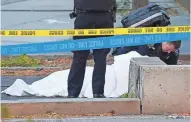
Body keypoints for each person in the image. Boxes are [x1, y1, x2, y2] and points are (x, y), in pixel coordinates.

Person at [67, 0, 117, 98]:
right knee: (101, 57)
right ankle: (98, 92)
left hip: (84, 16)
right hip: (105, 17)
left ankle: (73, 93)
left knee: (79, 57)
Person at [112, 40, 181, 65]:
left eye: (171, 51)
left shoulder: (173, 53)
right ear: (165, 41)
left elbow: (172, 69)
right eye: (168, 48)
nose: (169, 52)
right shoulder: (149, 43)